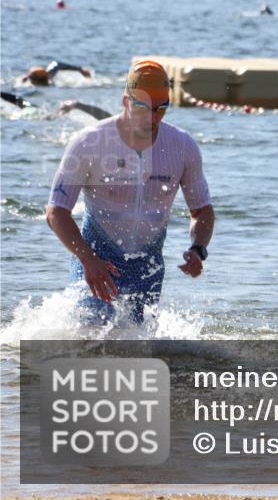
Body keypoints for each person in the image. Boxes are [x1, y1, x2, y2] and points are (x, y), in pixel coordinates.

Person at [46, 60, 214, 324]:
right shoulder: (89, 142)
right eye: (143, 108)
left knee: (136, 348)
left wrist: (198, 248)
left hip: (147, 268)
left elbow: (202, 210)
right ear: (126, 101)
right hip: (96, 259)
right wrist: (88, 259)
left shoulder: (182, 146)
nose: (152, 117)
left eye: (161, 109)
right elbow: (56, 212)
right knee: (92, 332)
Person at [21, 60, 92, 86]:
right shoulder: (47, 75)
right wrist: (80, 70)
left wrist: (80, 69)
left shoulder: (49, 74)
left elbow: (56, 64)